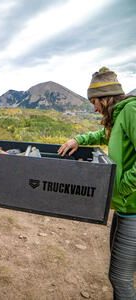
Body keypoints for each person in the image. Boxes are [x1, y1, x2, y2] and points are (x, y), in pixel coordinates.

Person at [58, 67, 136, 299]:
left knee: (120, 278)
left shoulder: (131, 110)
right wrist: (79, 139)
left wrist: (122, 186)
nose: (94, 108)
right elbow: (106, 135)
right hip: (126, 207)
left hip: (133, 208)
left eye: (95, 101)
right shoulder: (120, 114)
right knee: (121, 274)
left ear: (106, 97)